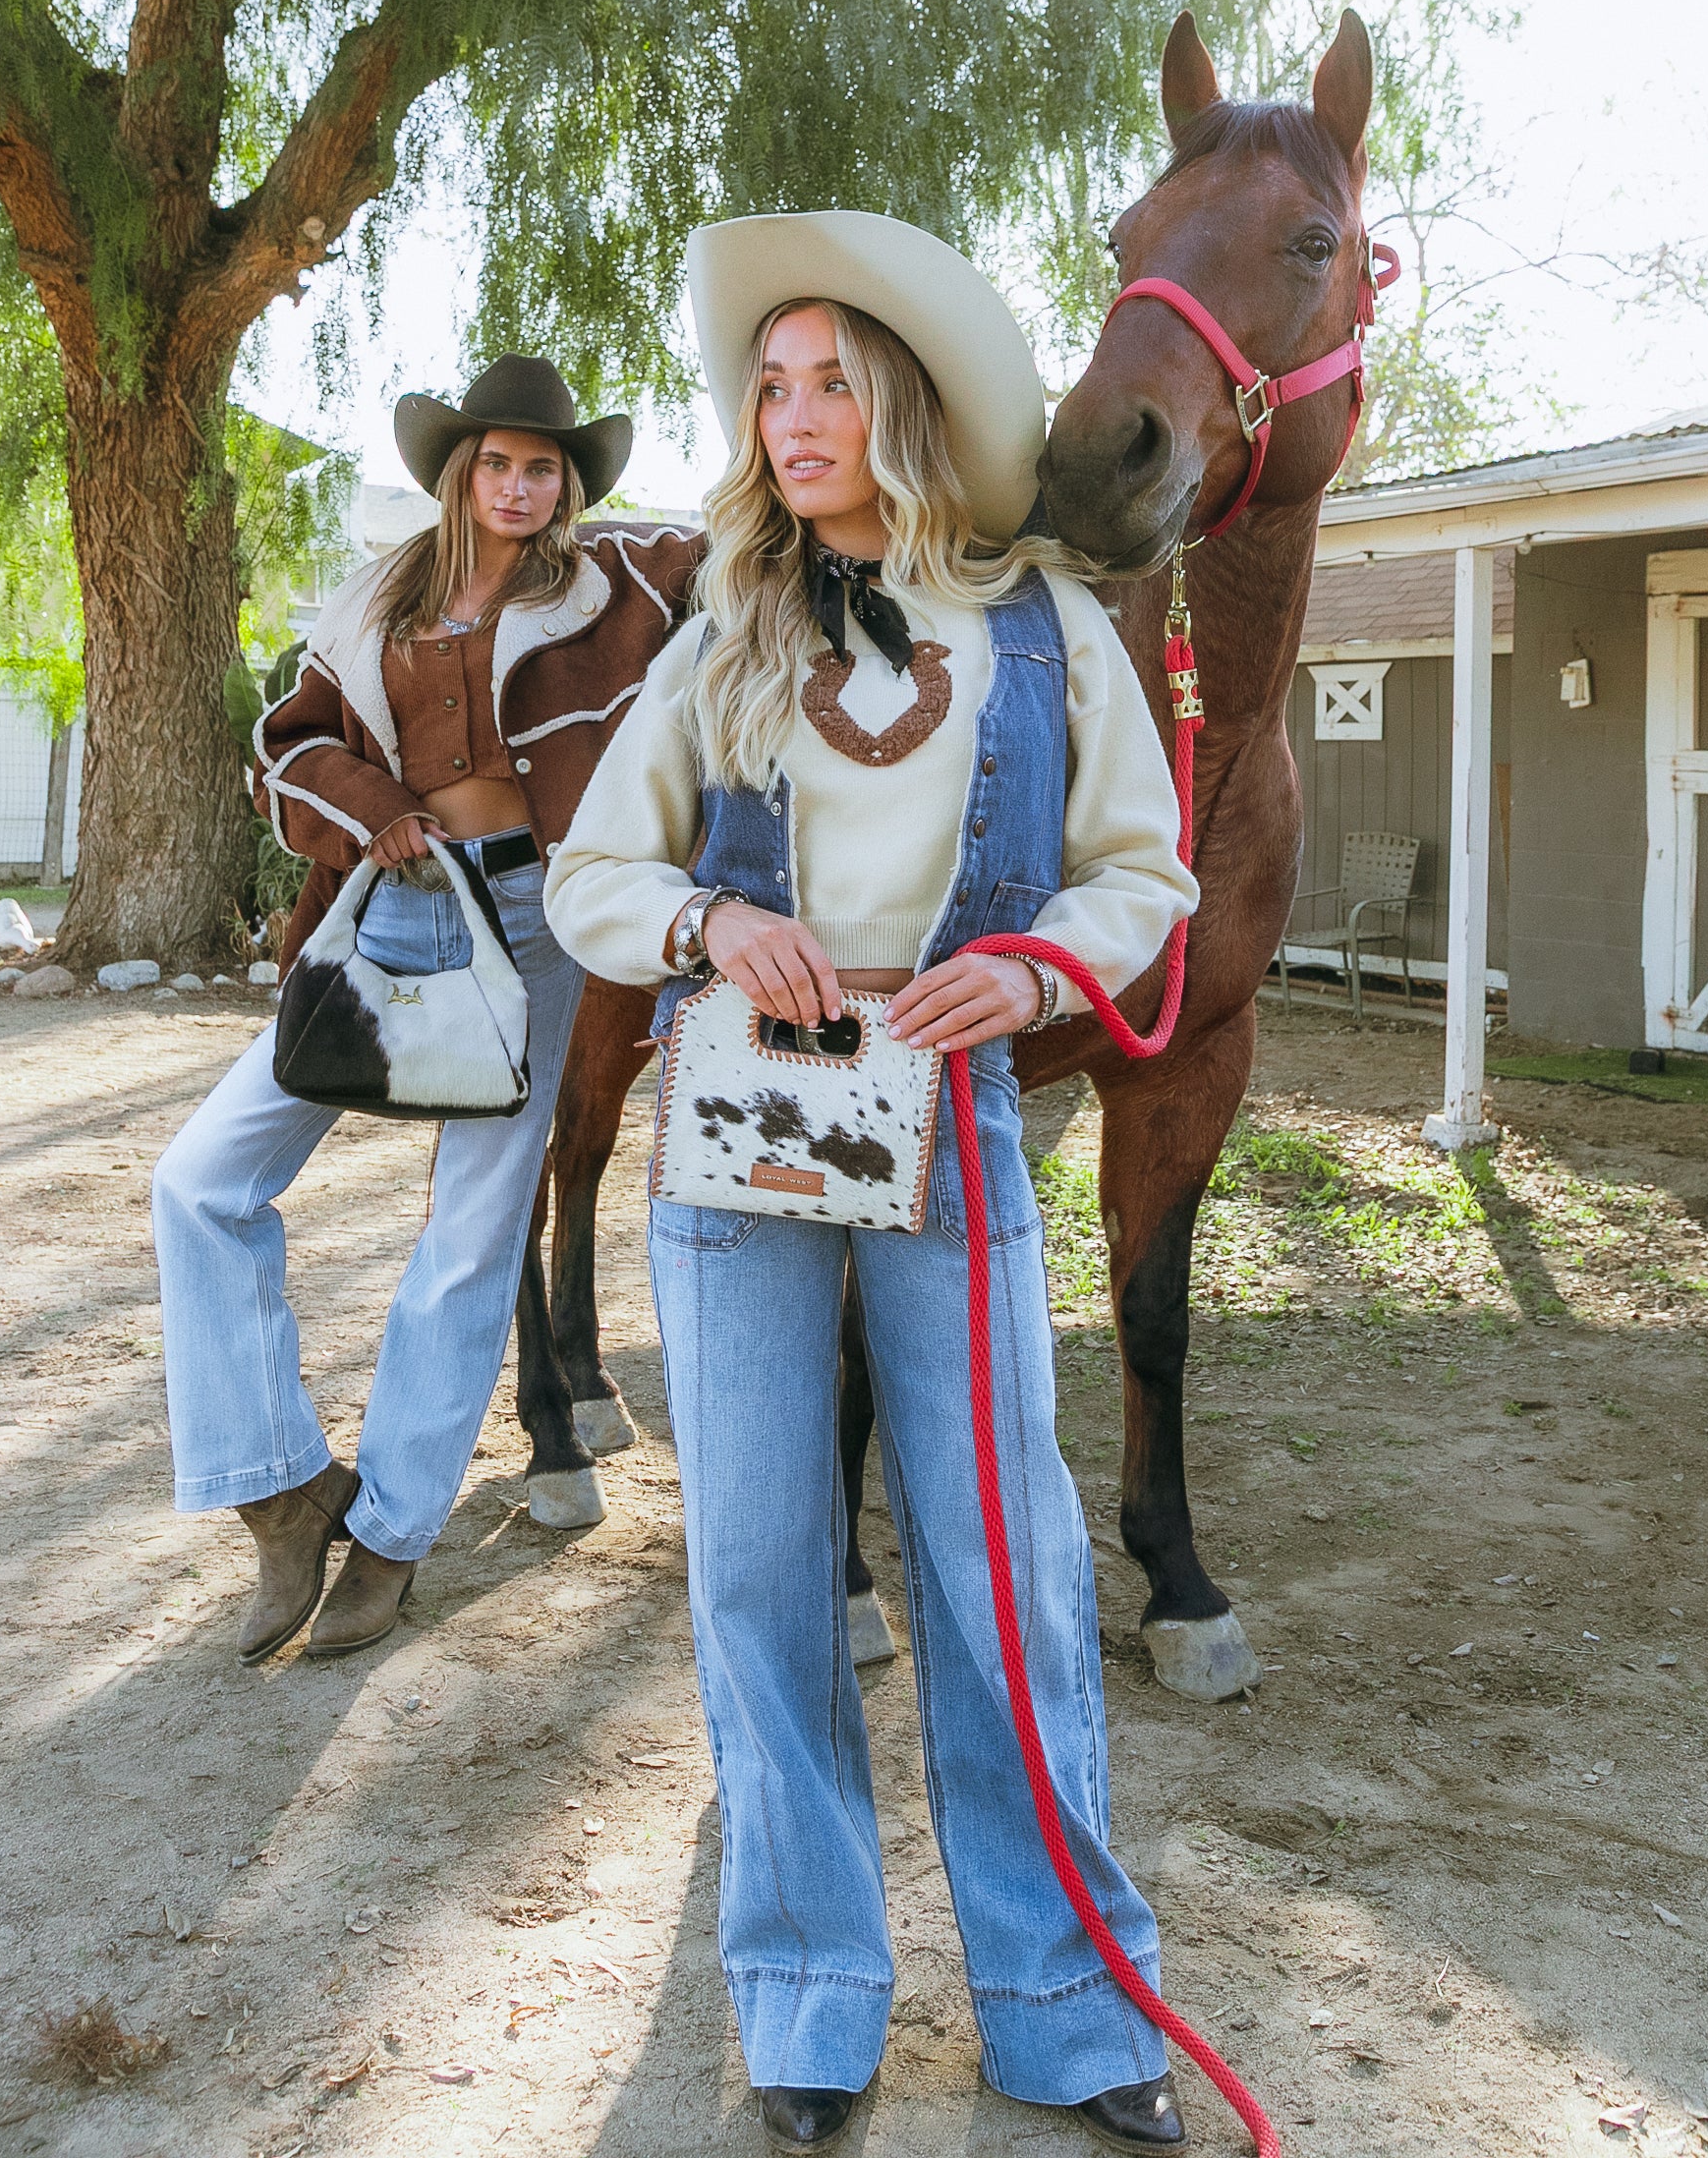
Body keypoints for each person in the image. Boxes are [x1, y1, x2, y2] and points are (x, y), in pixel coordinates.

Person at [544, 215, 1200, 2152]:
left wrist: (1046, 963)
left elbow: (1140, 870)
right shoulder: (715, 637)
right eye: (773, 379)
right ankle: (809, 1992)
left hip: (952, 1130)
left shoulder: (1043, 627)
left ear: (905, 404)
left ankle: (1072, 2005)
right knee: (758, 1571)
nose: (796, 410)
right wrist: (704, 925)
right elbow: (594, 881)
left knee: (1007, 1576)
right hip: (738, 1158)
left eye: (834, 376)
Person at [152, 354, 699, 1664]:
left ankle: (393, 1534)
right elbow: (288, 747)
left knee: (470, 1236)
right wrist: (379, 810)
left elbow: (735, 540)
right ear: (458, 474)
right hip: (387, 911)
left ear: (568, 484)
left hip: (539, 926)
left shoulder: (613, 586)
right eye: (497, 463)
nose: (519, 485)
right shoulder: (369, 601)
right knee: (198, 1181)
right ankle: (283, 1490)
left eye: (543, 467)